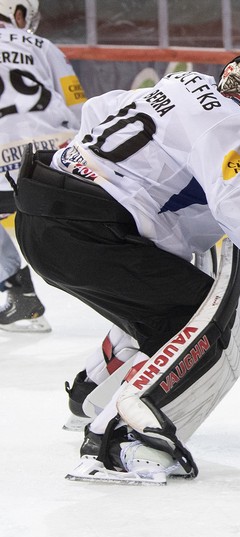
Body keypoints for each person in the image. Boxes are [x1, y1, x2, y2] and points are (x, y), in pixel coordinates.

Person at [12, 50, 240, 481]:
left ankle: (92, 393)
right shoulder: (226, 120)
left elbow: (98, 110)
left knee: (166, 294)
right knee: (197, 319)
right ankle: (122, 440)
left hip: (40, 211)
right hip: (87, 232)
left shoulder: (173, 88)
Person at [0, 0, 85, 332]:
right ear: (17, 14)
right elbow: (78, 107)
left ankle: (17, 294)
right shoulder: (43, 46)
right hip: (53, 161)